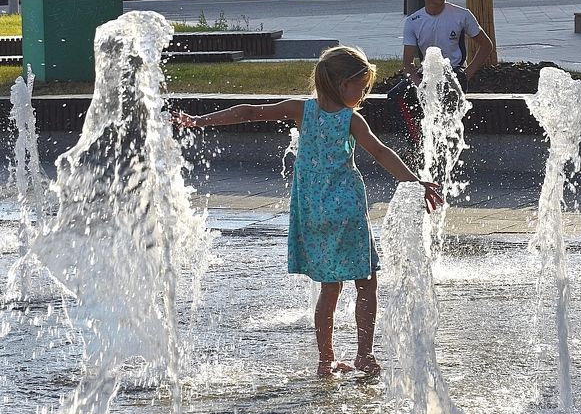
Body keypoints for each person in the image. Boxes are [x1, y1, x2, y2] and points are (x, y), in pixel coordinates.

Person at [173, 46, 443, 377]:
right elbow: (380, 151)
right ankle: (364, 355)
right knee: (366, 282)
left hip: (313, 213)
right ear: (343, 85)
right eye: (361, 87)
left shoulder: (300, 110)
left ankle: (325, 360)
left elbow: (249, 112)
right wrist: (415, 182)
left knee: (329, 287)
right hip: (346, 211)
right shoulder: (350, 119)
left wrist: (200, 120)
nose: (363, 95)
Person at [402, 0, 495, 89]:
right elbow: (407, 64)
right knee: (394, 96)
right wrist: (420, 86)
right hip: (428, 74)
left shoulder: (463, 15)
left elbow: (486, 45)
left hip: (454, 72)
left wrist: (466, 75)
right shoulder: (412, 22)